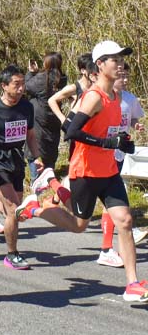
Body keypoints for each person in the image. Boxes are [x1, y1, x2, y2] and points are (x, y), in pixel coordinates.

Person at [21, 41, 148, 302]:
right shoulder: (94, 97)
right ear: (100, 65)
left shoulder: (116, 96)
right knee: (79, 226)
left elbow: (108, 132)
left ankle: (132, 284)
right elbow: (71, 132)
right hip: (86, 172)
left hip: (109, 171)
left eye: (122, 58)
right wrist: (107, 143)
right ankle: (37, 205)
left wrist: (122, 140)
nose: (120, 63)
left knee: (124, 221)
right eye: (114, 59)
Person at [0, 64, 42, 270]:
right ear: (4, 86)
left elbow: (30, 135)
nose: (21, 88)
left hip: (16, 159)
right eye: (17, 84)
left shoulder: (27, 107)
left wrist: (37, 157)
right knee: (14, 210)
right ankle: (12, 254)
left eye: (23, 84)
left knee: (16, 210)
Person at [25, 52, 66, 181]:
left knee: (35, 144)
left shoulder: (42, 78)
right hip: (55, 115)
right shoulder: (63, 78)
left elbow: (27, 87)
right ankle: (50, 172)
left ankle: (36, 178)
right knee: (51, 143)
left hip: (39, 117)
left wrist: (31, 73)